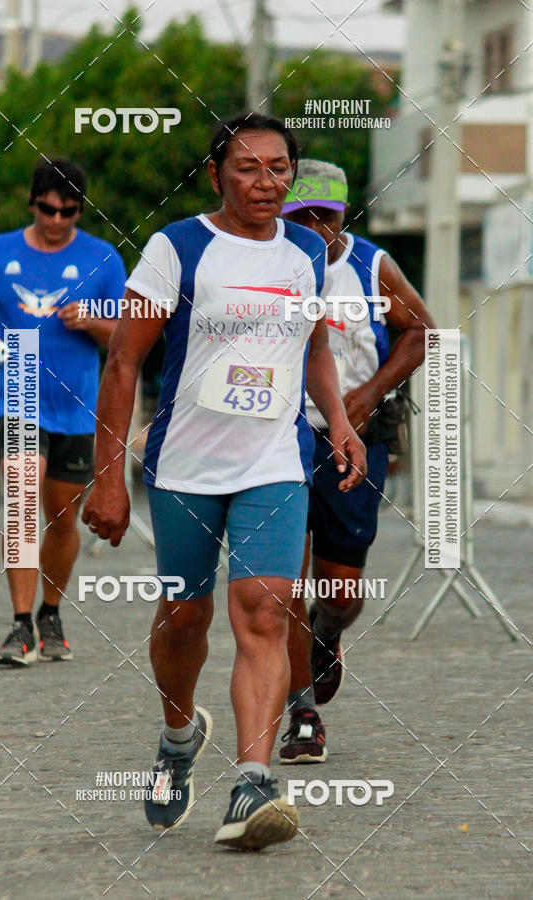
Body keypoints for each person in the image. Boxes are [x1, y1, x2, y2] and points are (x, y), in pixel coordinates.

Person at [82, 114, 367, 850]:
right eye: (248, 168)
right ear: (216, 175)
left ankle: (253, 782)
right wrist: (107, 479)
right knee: (184, 618)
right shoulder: (177, 249)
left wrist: (336, 417)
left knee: (266, 610)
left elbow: (314, 349)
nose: (266, 182)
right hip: (184, 464)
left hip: (274, 460)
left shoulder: (307, 250)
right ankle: (179, 739)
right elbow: (122, 364)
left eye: (279, 169)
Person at [277, 159, 435, 764]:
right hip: (281, 440)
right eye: (302, 215)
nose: (314, 226)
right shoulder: (271, 264)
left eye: (326, 216)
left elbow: (422, 330)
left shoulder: (369, 266)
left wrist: (369, 394)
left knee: (341, 594)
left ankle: (328, 632)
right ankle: (304, 714)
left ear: (345, 214)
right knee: (281, 583)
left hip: (355, 444)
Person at [0, 158, 126, 666]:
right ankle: (20, 625)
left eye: (68, 212)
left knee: (61, 518)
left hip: (75, 401)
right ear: (32, 203)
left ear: (79, 210)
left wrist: (94, 321)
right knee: (21, 499)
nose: (56, 220)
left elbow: (124, 336)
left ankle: (51, 612)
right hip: (19, 386)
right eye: (48, 209)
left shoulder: (103, 258)